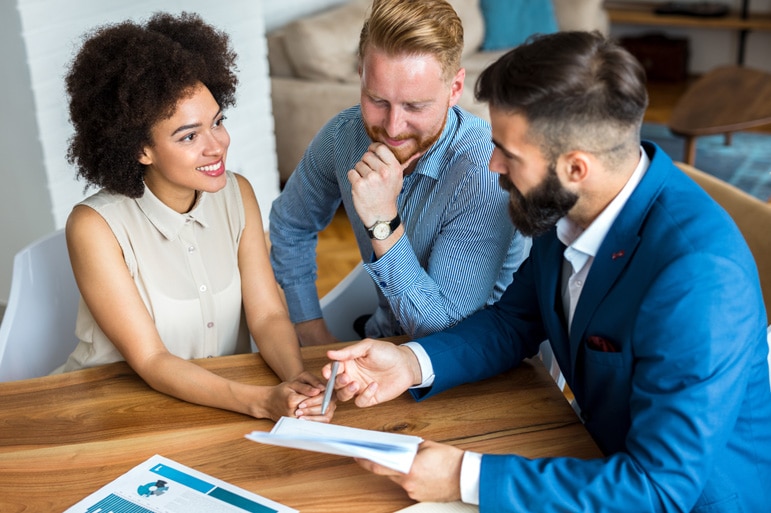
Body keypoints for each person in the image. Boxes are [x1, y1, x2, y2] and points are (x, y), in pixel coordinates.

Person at [325, 31, 771, 512]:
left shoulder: (699, 279)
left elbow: (658, 489)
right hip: (589, 460)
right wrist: (410, 363)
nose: (493, 164)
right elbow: (513, 320)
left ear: (576, 168)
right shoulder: (569, 204)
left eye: (508, 154)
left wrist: (461, 475)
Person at [60, 12, 333, 422]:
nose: (216, 146)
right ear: (140, 150)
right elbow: (152, 360)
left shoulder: (238, 194)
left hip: (219, 405)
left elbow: (268, 314)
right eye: (189, 136)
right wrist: (260, 401)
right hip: (112, 412)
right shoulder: (95, 227)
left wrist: (298, 381)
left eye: (218, 122)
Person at [269, 0, 529, 346]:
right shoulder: (343, 135)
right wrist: (309, 327)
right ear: (361, 72)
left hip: (474, 365)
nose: (392, 127)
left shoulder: (482, 171)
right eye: (377, 100)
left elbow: (446, 331)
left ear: (454, 89)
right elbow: (290, 225)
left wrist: (382, 222)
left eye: (414, 106)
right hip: (381, 338)